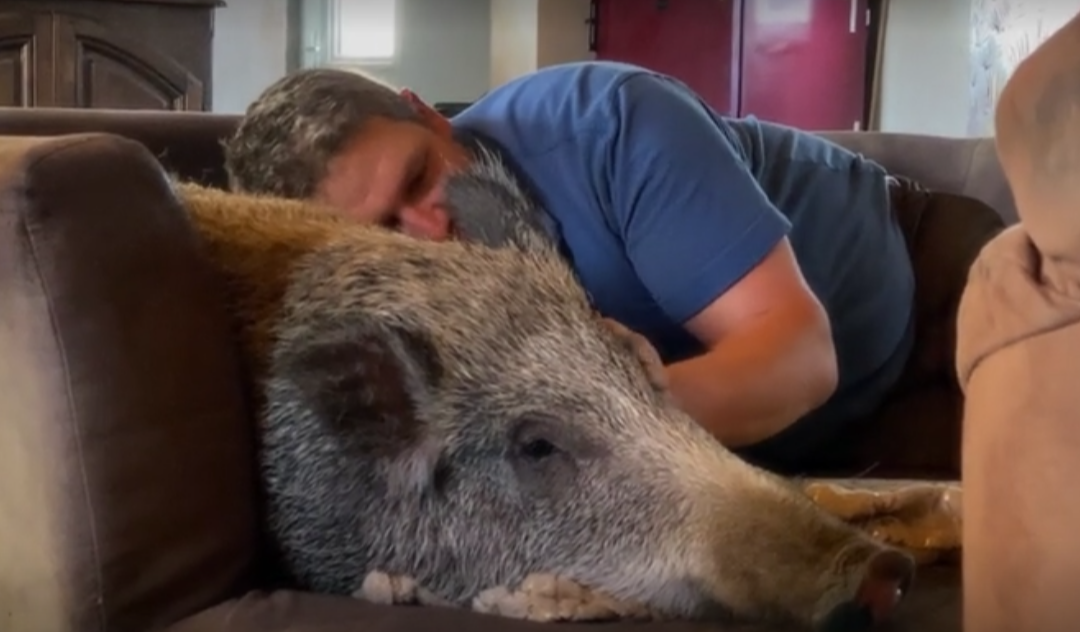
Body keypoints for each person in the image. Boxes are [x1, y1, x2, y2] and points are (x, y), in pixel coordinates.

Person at [222, 61, 1003, 474]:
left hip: (932, 299)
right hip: (787, 456)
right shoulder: (372, 301)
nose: (431, 230)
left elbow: (801, 356)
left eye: (421, 177)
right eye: (384, 230)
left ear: (429, 116)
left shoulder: (611, 123)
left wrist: (606, 411)